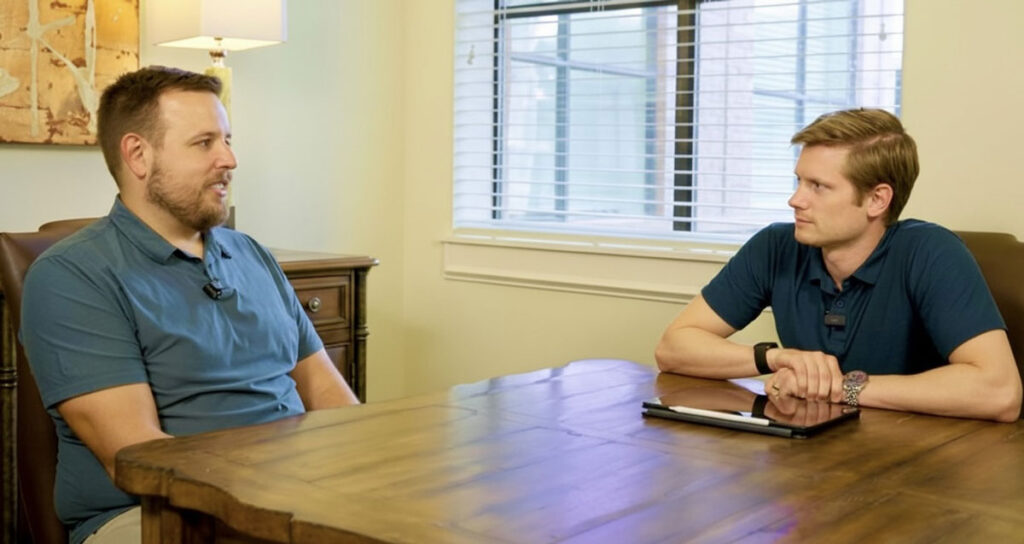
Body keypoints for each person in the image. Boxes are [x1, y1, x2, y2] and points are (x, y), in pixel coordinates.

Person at [20, 66, 359, 544]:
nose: (230, 159)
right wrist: (286, 493)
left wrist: (366, 476)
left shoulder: (252, 255)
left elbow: (329, 396)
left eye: (227, 139)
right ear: (138, 155)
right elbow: (138, 458)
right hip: (152, 516)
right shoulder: (73, 275)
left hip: (293, 498)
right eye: (204, 143)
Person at [655, 108, 1022, 423]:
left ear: (877, 200)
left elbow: (1000, 392)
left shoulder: (931, 251)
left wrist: (841, 388)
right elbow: (673, 348)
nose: (795, 199)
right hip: (814, 455)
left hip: (919, 462)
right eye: (799, 180)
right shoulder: (775, 246)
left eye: (818, 186)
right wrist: (780, 359)